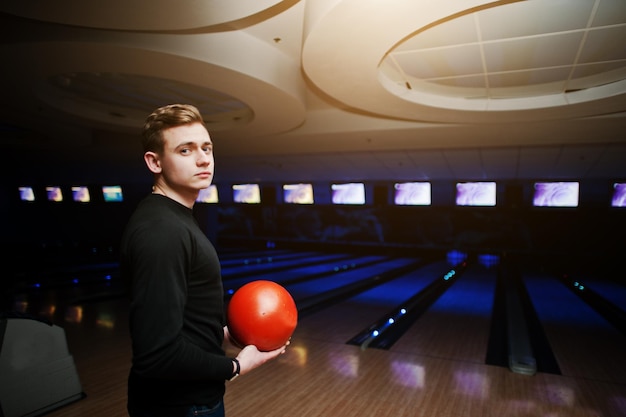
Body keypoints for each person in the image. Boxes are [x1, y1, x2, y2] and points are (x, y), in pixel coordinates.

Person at [120, 103, 288, 417]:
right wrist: (236, 366)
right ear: (154, 162)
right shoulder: (162, 230)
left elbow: (179, 321)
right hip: (180, 406)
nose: (203, 158)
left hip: (187, 401)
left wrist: (226, 335)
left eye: (206, 147)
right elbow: (156, 355)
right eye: (185, 150)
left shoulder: (175, 217)